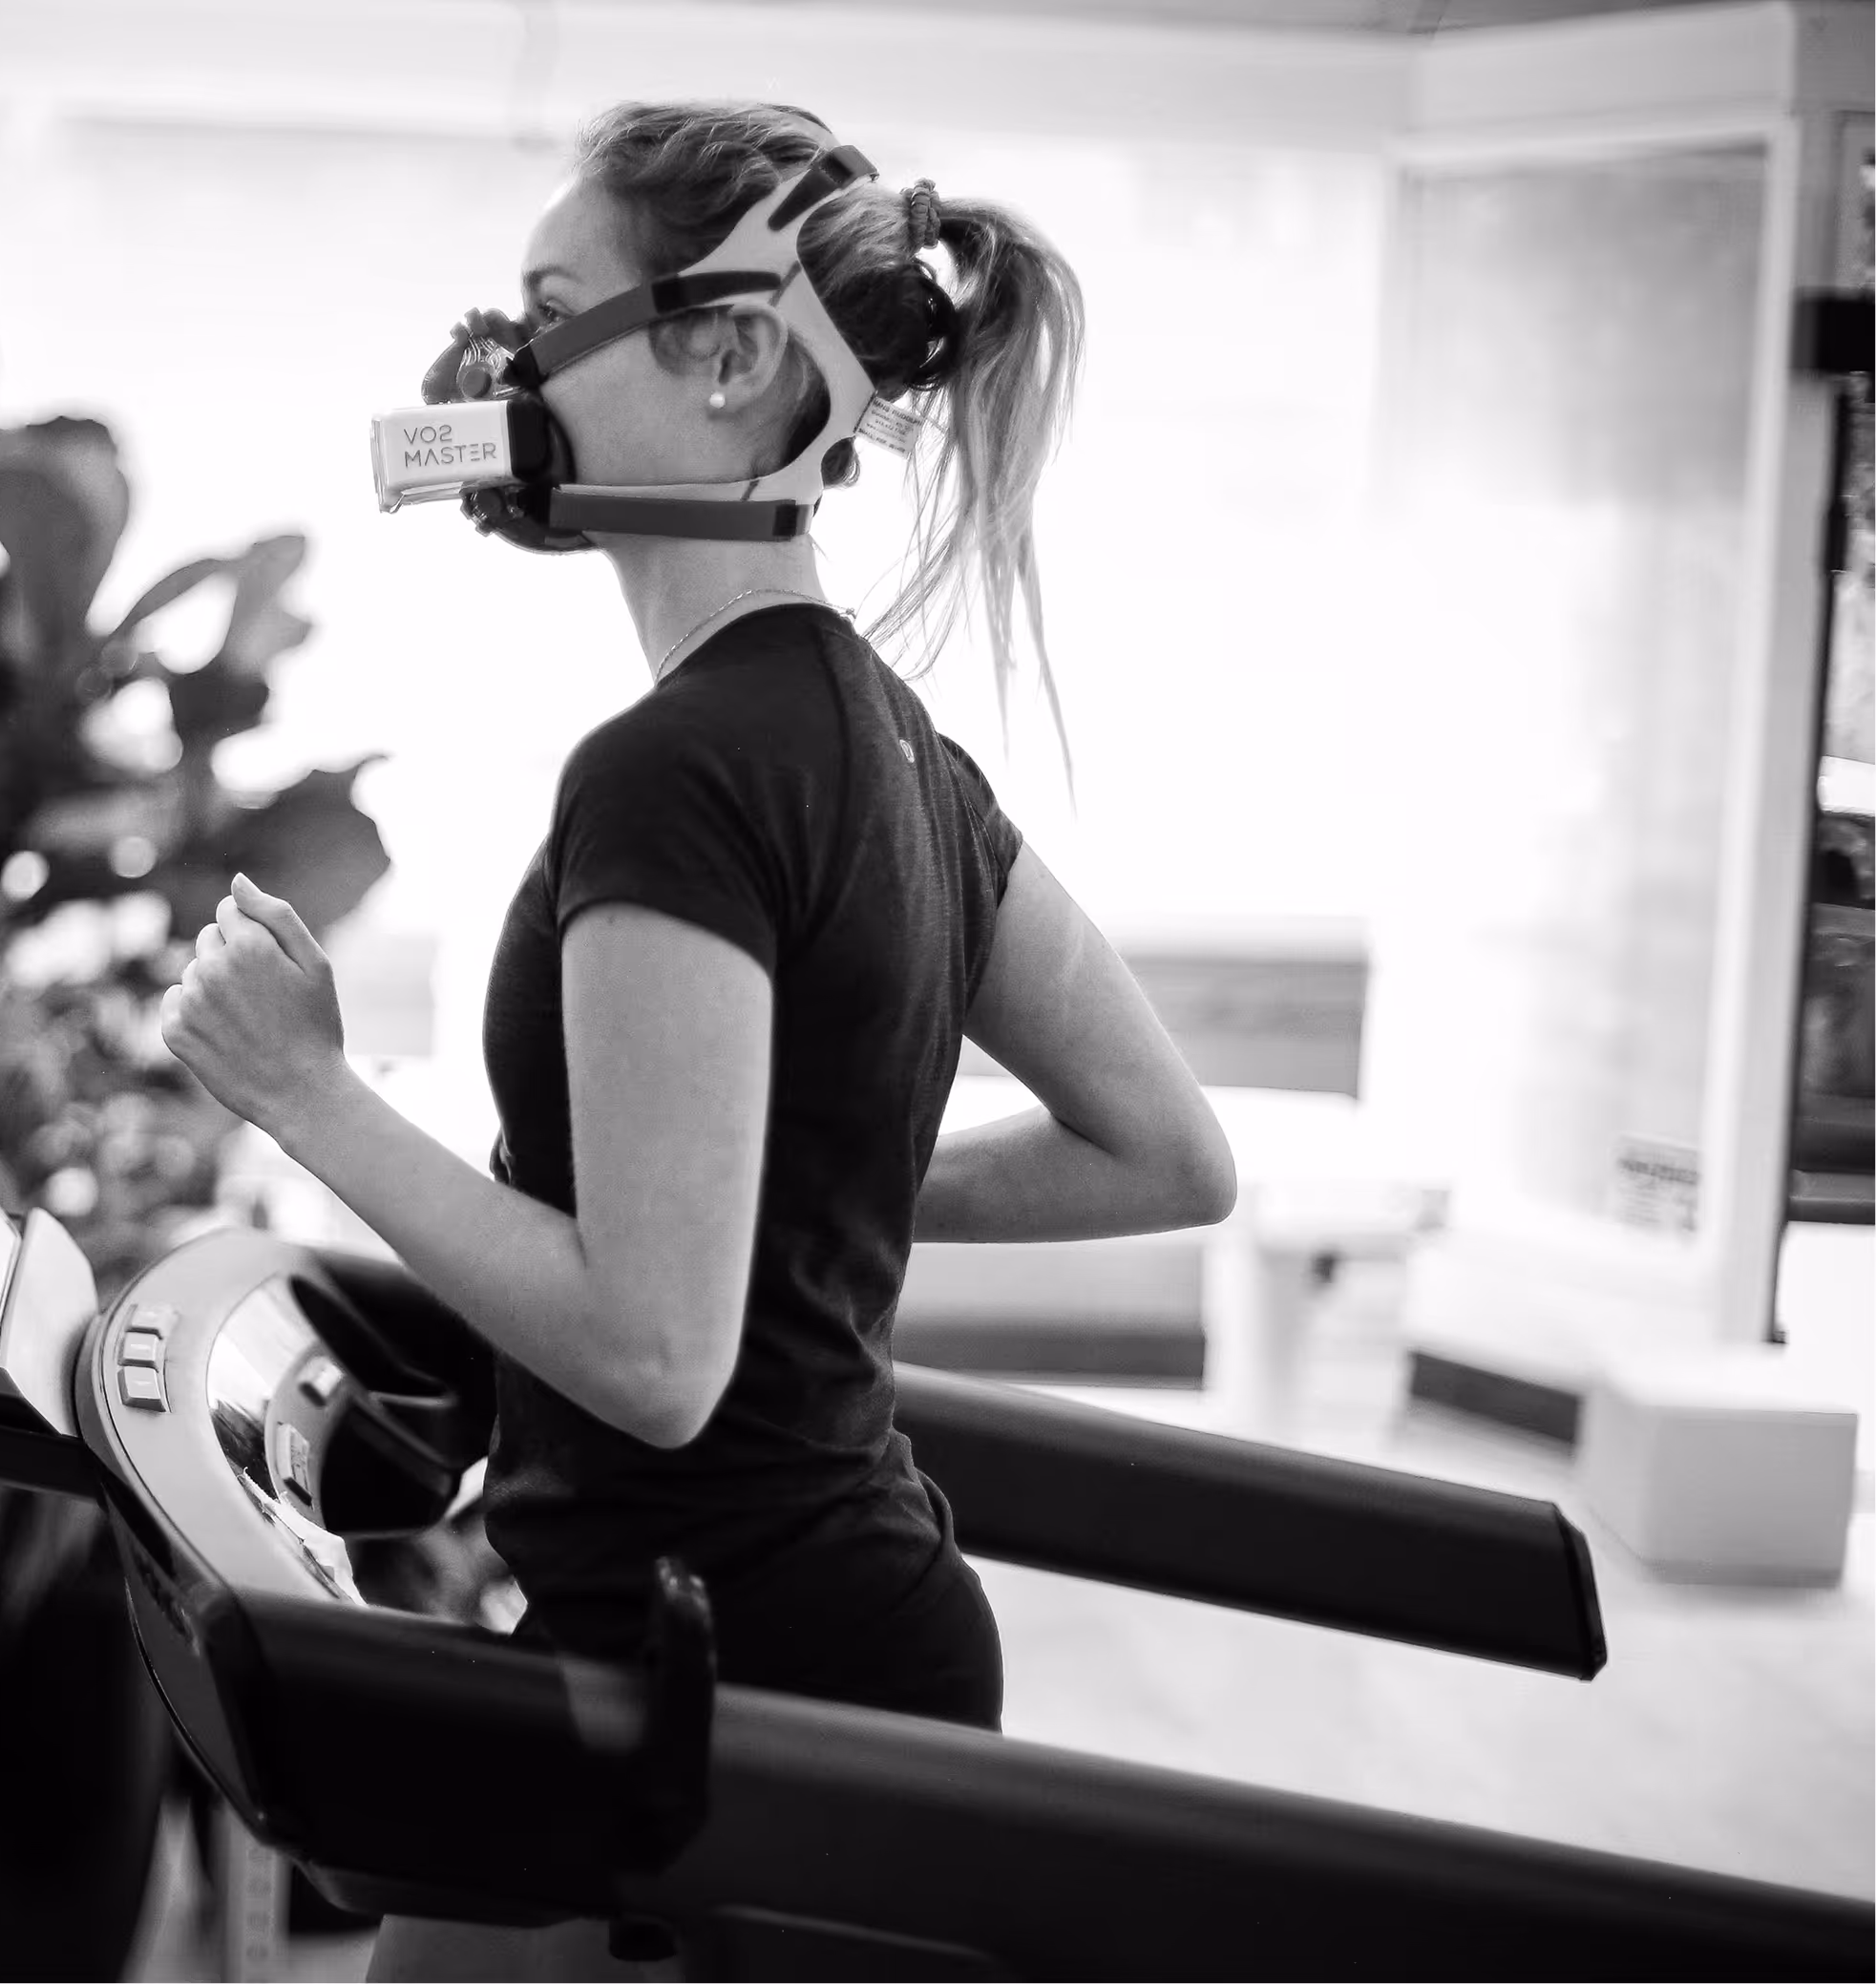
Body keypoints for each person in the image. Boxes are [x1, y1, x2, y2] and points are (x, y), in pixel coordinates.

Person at [161, 98, 1237, 1980]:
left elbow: (655, 1355)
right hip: (780, 1634)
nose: (496, 369)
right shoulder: (902, 753)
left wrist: (303, 1091)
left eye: (545, 310)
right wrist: (776, 1187)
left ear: (730, 356)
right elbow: (1167, 1149)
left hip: (736, 1676)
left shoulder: (677, 772)